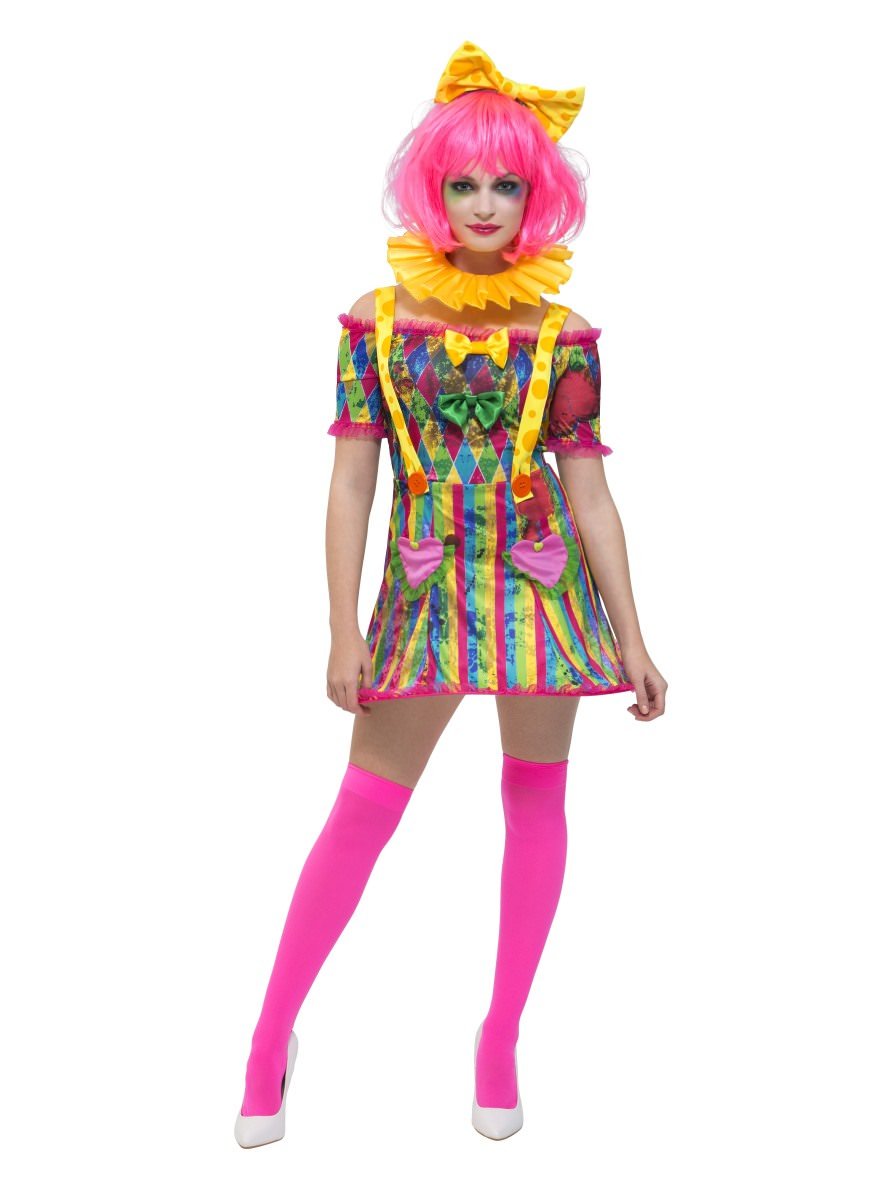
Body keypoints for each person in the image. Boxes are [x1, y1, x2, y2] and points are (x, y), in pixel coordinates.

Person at [235, 39, 667, 1148]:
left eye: (506, 184)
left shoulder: (564, 336)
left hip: (542, 592)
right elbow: (350, 486)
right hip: (425, 594)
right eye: (464, 181)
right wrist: (342, 629)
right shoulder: (378, 323)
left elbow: (591, 496)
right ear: (432, 187)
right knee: (363, 809)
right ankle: (269, 1033)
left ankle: (501, 1035)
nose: (483, 203)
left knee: (536, 799)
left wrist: (634, 635)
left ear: (537, 195)